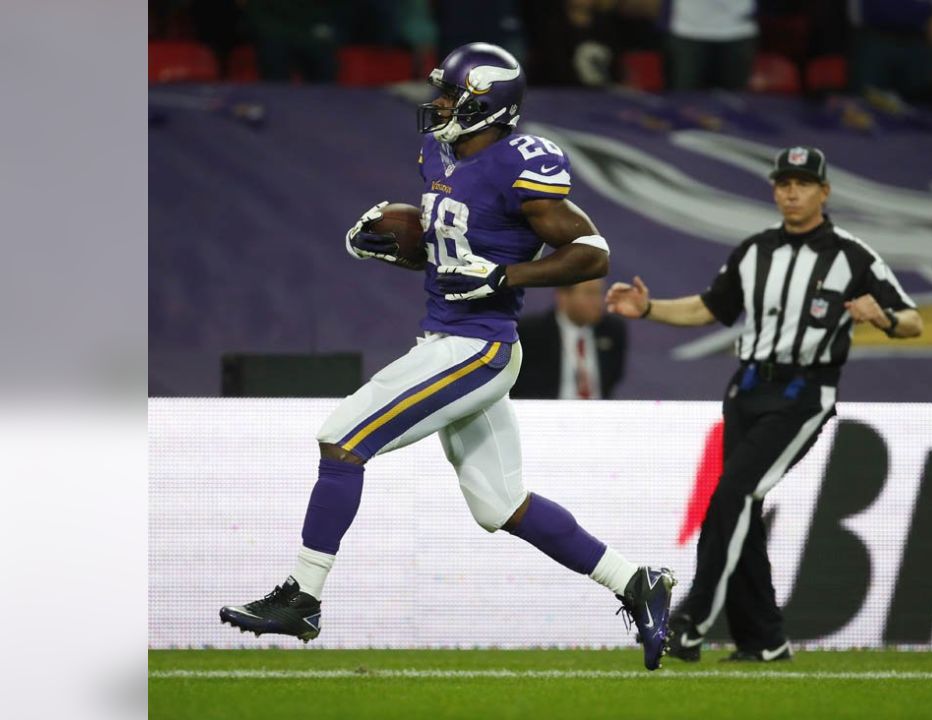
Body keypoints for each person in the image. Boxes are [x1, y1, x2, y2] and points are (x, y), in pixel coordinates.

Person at [219, 42, 676, 671]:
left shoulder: (521, 162)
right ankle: (637, 582)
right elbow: (453, 253)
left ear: (486, 105)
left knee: (342, 438)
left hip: (478, 346)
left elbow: (592, 252)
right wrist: (400, 247)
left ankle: (302, 597)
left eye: (450, 95)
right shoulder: (444, 153)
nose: (436, 104)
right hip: (450, 339)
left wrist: (504, 278)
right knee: (500, 504)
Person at [606, 145, 923, 662]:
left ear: (824, 191)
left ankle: (690, 621)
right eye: (783, 182)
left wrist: (883, 317)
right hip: (747, 388)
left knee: (732, 494)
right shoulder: (754, 251)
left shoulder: (852, 255)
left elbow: (913, 320)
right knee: (742, 508)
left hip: (803, 393)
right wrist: (648, 309)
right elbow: (710, 308)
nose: (791, 191)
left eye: (802, 183)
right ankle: (765, 639)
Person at [510, 279, 628, 400]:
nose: (599, 301)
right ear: (563, 297)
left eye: (600, 293)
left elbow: (613, 378)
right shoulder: (531, 333)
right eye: (590, 293)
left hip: (597, 415)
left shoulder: (612, 331)